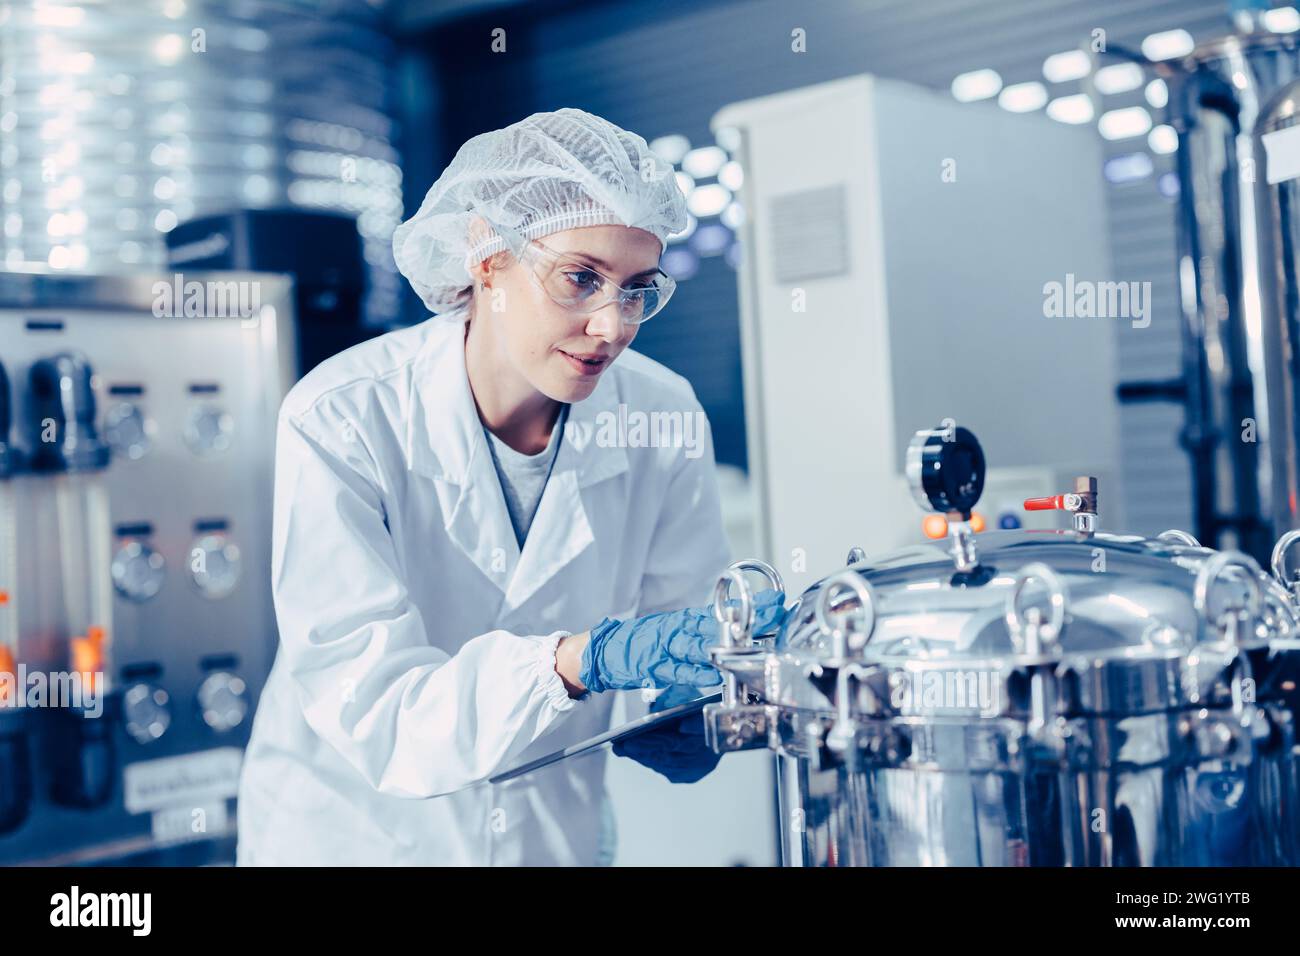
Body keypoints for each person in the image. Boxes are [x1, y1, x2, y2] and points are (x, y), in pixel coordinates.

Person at [236, 108, 786, 865]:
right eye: (580, 278)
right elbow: (378, 711)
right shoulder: (342, 417)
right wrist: (576, 660)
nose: (612, 326)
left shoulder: (661, 412)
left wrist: (694, 708)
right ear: (486, 256)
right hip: (359, 834)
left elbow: (674, 633)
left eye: (637, 290)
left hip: (546, 838)